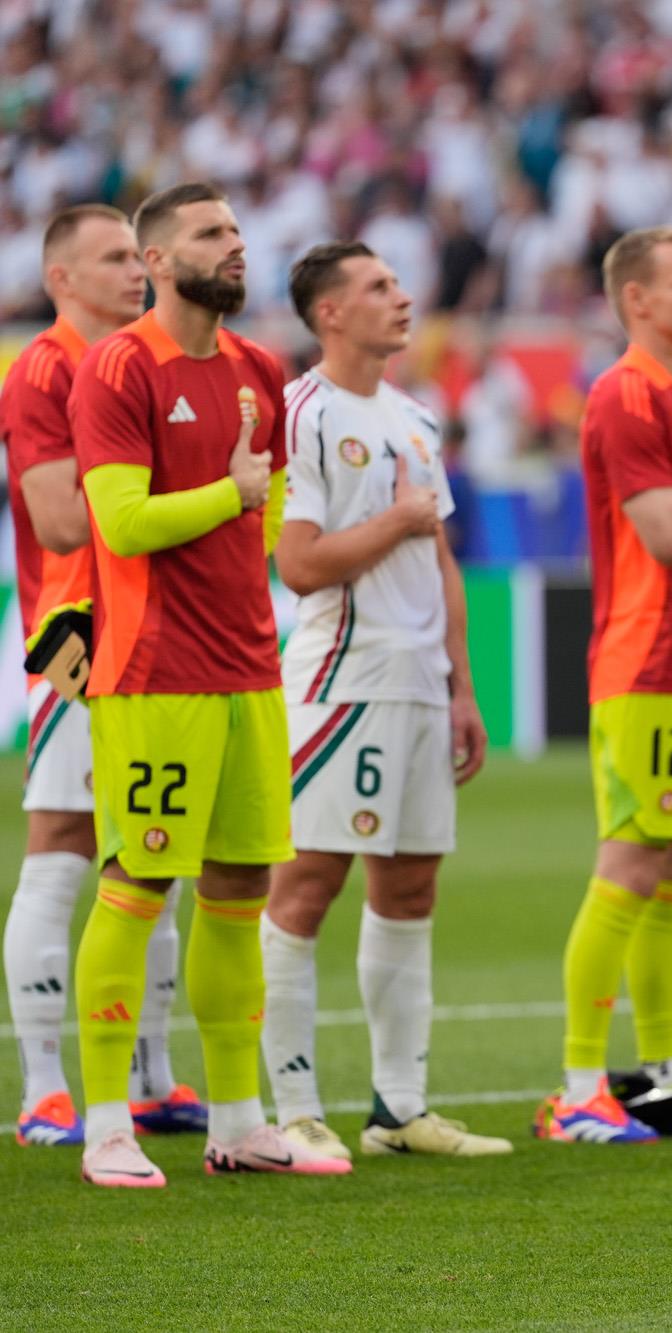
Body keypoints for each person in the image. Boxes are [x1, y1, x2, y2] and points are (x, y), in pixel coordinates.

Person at [67, 181, 348, 1185]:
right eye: (211, 234)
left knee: (239, 888)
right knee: (138, 882)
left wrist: (247, 524)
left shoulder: (258, 368)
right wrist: (224, 496)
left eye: (236, 230)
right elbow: (123, 523)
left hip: (246, 668)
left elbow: (265, 511)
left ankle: (238, 1119)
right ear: (153, 260)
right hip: (152, 675)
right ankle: (106, 1123)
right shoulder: (115, 369)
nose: (236, 246)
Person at [257, 241, 509, 1160]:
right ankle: (290, 1106)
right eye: (378, 287)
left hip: (417, 684)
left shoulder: (412, 415)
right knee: (308, 883)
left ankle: (399, 1110)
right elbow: (300, 563)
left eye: (399, 283)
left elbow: (438, 558)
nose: (402, 298)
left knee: (409, 886)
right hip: (342, 683)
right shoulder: (303, 414)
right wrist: (397, 520)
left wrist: (464, 688)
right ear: (329, 312)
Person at [4, 204, 206, 1147]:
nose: (137, 270)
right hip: (80, 640)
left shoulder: (142, 361)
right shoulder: (44, 370)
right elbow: (56, 520)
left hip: (155, 635)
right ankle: (46, 1085)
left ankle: (154, 1073)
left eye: (139, 254)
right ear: (61, 279)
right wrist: (172, 497)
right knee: (62, 843)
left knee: (152, 854)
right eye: (115, 257)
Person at [536, 227, 672, 1145]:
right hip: (647, 659)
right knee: (631, 861)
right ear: (637, 302)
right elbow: (669, 536)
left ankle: (661, 1070)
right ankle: (580, 1084)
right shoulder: (624, 396)